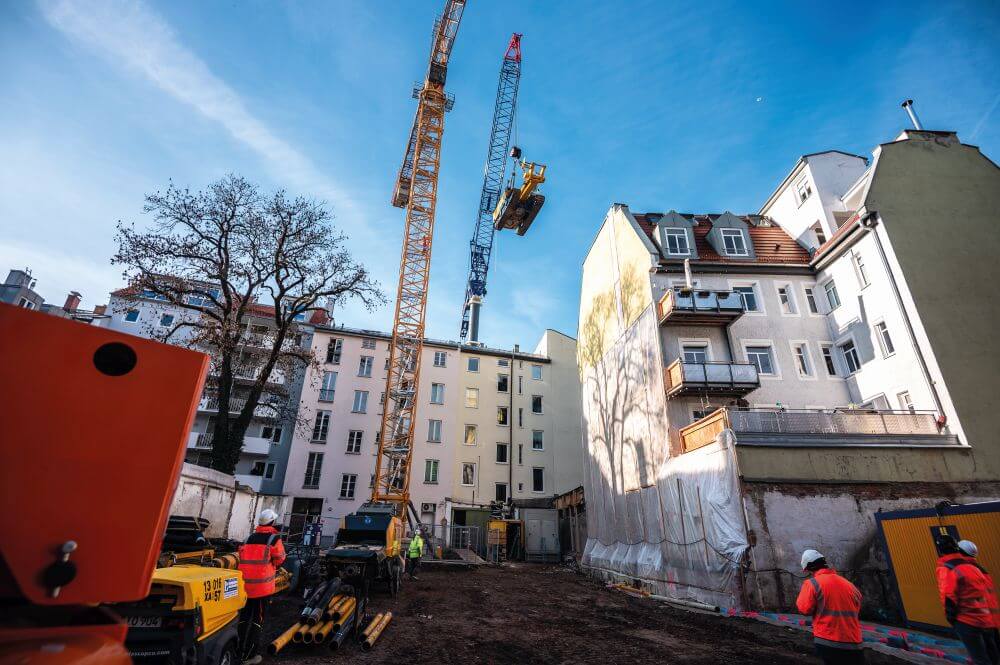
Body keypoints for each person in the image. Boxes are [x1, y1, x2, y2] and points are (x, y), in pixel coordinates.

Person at [936, 536, 999, 665]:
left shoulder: (947, 568)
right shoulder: (975, 568)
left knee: (980, 658)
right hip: (986, 620)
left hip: (966, 620)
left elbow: (949, 596)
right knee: (993, 656)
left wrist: (951, 618)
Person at [796, 549, 866, 664]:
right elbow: (857, 606)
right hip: (854, 642)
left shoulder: (812, 584)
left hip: (828, 640)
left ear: (808, 568)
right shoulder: (849, 585)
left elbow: (804, 609)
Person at [237, 509, 286, 665]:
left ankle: (237, 652)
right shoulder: (273, 539)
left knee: (243, 619)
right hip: (262, 589)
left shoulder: (248, 538)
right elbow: (280, 559)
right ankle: (250, 656)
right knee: (257, 621)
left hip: (245, 587)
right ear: (272, 522)